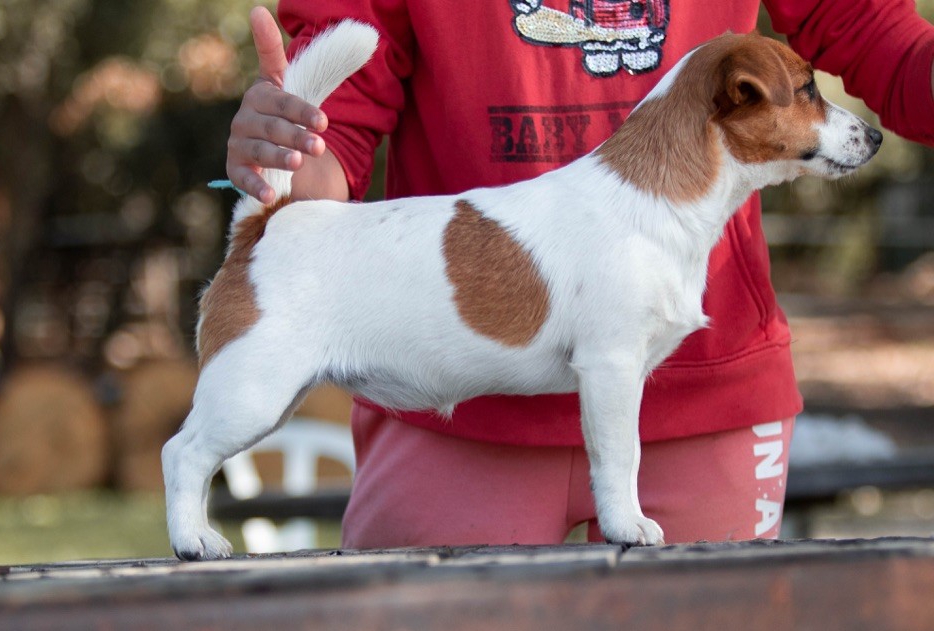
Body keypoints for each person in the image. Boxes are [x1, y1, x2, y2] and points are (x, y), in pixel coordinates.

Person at [225, 1, 934, 547]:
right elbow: (336, 111)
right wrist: (298, 153)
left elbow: (875, 31)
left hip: (703, 395)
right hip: (448, 396)